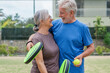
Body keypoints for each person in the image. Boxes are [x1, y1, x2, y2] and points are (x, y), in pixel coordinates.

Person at [27, 0, 95, 73]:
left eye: (62, 13)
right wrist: (29, 41)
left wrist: (82, 56)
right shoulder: (55, 24)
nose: (59, 15)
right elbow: (39, 34)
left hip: (75, 69)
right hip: (58, 69)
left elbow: (91, 47)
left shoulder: (83, 28)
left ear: (71, 13)